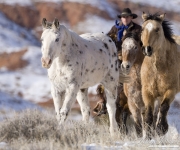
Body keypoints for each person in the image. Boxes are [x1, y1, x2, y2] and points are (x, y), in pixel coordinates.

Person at [93, 8, 141, 118]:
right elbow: (108, 38)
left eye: (127, 17)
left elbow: (140, 43)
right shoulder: (115, 28)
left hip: (132, 60)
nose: (125, 18)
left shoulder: (138, 29)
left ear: (131, 17)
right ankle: (102, 103)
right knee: (104, 81)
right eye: (123, 17)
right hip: (117, 58)